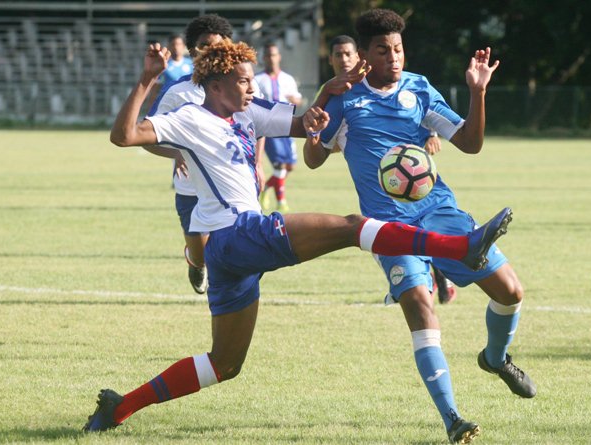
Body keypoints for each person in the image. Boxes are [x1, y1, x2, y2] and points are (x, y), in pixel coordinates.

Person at [83, 38, 513, 434]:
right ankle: (462, 247)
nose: (252, 89)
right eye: (244, 82)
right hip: (238, 234)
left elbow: (305, 123)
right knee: (351, 227)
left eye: (252, 81)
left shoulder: (246, 112)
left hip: (228, 255)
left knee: (224, 364)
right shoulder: (190, 118)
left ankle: (119, 408)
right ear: (215, 86)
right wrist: (146, 79)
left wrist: (327, 94)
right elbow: (124, 136)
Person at [304, 9, 535, 444]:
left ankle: (495, 358)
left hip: (439, 211)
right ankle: (452, 418)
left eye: (398, 49)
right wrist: (317, 125)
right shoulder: (344, 98)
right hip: (389, 228)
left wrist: (477, 92)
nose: (394, 57)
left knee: (511, 292)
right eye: (382, 50)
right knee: (419, 303)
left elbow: (470, 143)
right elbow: (313, 159)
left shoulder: (418, 88)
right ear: (364, 57)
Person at [325, 34, 457, 305]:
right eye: (338, 55)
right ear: (331, 59)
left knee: (421, 227)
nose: (344, 59)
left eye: (347, 54)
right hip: (379, 186)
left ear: (358, 56)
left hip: (410, 177)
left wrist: (431, 132)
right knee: (395, 233)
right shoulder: (337, 95)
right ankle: (413, 281)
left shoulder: (400, 82)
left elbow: (415, 111)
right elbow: (321, 147)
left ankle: (431, 278)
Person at [143, 15, 237, 294]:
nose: (210, 51)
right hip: (189, 186)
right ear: (193, 50)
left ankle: (229, 290)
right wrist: (176, 154)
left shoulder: (238, 84)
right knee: (200, 251)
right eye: (203, 45)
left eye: (217, 45)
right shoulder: (178, 92)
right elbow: (145, 137)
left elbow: (256, 126)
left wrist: (255, 161)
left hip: (228, 184)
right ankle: (195, 262)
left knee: (231, 246)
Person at [255, 43, 303, 213]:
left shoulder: (287, 79)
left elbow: (298, 99)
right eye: (268, 55)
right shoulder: (257, 79)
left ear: (279, 57)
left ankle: (266, 188)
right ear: (263, 58)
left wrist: (295, 100)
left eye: (274, 55)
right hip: (269, 127)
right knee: (280, 165)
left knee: (290, 166)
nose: (271, 58)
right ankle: (281, 202)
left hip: (287, 126)